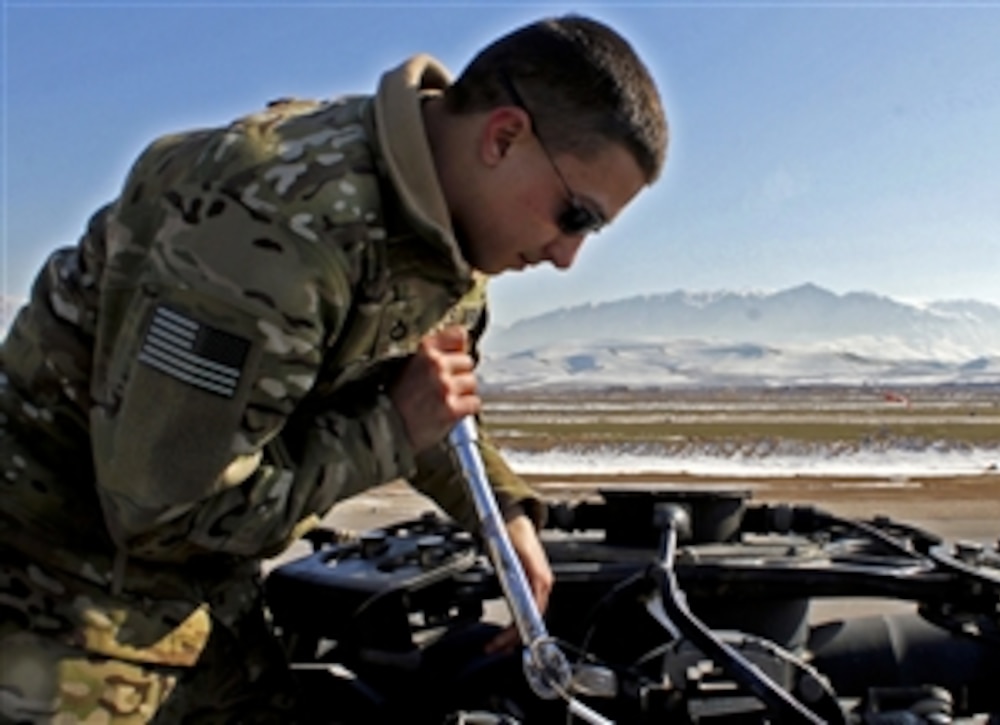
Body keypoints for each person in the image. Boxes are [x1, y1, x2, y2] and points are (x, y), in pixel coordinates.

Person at [0, 14, 668, 723]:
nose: (567, 257)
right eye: (577, 217)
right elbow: (161, 512)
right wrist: (390, 431)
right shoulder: (269, 224)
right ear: (503, 137)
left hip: (200, 594)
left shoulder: (446, 231)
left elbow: (430, 403)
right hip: (53, 586)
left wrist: (503, 515)